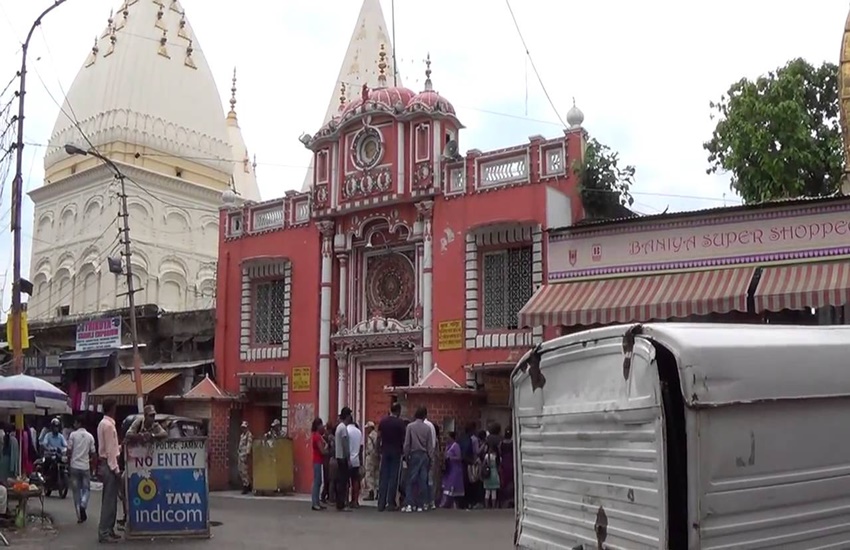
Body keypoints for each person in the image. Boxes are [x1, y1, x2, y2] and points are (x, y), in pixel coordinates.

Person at [97, 398, 121, 544]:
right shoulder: (109, 426)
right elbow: (111, 451)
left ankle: (109, 529)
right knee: (109, 501)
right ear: (112, 408)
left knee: (110, 500)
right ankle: (105, 532)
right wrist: (116, 469)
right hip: (109, 465)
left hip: (106, 463)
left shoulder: (103, 424)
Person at [401, 406, 434, 513]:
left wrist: (406, 455)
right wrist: (431, 457)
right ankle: (422, 504)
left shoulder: (410, 427)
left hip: (414, 454)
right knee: (422, 480)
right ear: (425, 415)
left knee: (410, 480)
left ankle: (410, 503)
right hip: (424, 455)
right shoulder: (427, 428)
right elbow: (430, 445)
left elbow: (407, 443)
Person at [376, 402, 405, 512]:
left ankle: (381, 503)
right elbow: (403, 438)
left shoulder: (383, 421)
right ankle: (390, 502)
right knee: (393, 477)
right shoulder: (400, 423)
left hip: (385, 450)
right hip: (396, 451)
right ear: (398, 411)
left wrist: (378, 449)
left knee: (383, 477)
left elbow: (379, 437)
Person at [67, 415, 95, 523]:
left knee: (76, 491)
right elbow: (93, 453)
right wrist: (93, 467)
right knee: (86, 489)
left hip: (74, 466)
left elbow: (69, 450)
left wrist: (69, 461)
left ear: (78, 423)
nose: (74, 425)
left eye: (75, 423)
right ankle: (84, 504)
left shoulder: (73, 435)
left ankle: (79, 515)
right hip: (85, 467)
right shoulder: (90, 437)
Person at [334, 407, 352, 511]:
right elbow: (345, 443)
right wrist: (348, 457)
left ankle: (339, 503)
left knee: (340, 481)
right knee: (343, 481)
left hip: (338, 456)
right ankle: (341, 503)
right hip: (342, 457)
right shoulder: (343, 428)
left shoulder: (339, 427)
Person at [440, 431, 465, 508]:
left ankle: (452, 503)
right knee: (446, 485)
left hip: (455, 468)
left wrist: (451, 458)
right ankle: (446, 503)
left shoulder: (455, 446)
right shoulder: (447, 446)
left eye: (448, 437)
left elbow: (459, 457)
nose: (447, 439)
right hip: (449, 468)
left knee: (452, 485)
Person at [310, 418, 326, 511]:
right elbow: (322, 450)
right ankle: (315, 503)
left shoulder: (318, 436)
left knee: (318, 481)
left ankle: (317, 502)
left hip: (318, 461)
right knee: (317, 481)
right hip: (317, 461)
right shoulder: (317, 436)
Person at [422, 409, 437, 510]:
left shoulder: (423, 425)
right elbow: (433, 442)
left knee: (422, 479)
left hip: (423, 453)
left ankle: (424, 501)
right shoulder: (431, 425)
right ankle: (431, 501)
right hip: (430, 453)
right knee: (430, 480)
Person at [347, 420, 363, 508]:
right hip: (356, 460)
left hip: (348, 459)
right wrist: (361, 462)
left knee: (346, 481)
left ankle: (346, 500)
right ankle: (355, 501)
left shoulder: (346, 430)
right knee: (355, 481)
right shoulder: (359, 432)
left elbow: (345, 446)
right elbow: (361, 448)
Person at [362, 421, 378, 500]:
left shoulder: (370, 436)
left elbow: (370, 448)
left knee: (369, 474)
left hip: (371, 456)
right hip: (378, 457)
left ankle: (371, 492)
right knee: (377, 475)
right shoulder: (377, 435)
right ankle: (378, 492)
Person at [499, 428, 515, 508]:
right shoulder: (512, 443)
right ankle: (511, 498)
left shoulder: (502, 443)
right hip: (511, 462)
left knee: (504, 481)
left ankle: (504, 500)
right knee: (511, 480)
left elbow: (500, 453)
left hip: (504, 463)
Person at [237, 421, 253, 494]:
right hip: (240, 454)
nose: (243, 429)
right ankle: (248, 484)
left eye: (244, 428)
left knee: (244, 471)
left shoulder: (248, 435)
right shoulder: (242, 435)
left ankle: (246, 485)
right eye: (242, 428)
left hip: (244, 455)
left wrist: (247, 454)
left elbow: (249, 445)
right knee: (240, 470)